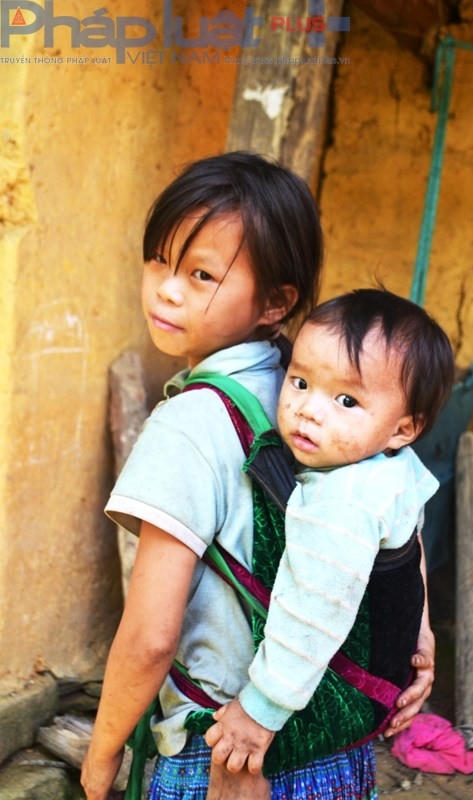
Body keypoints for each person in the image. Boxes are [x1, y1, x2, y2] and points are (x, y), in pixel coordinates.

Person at [81, 153, 435, 800]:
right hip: (331, 744)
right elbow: (399, 501)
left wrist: (102, 752)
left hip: (226, 750)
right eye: (158, 259)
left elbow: (152, 636)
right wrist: (418, 630)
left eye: (201, 274)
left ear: (277, 301)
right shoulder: (328, 396)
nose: (166, 289)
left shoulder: (193, 423)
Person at [205, 289, 455, 790]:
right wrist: (422, 628)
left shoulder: (342, 503)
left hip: (350, 689)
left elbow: (311, 614)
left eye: (346, 400)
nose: (308, 411)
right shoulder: (389, 465)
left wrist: (259, 712)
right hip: (383, 673)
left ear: (402, 429)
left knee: (227, 751)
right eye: (300, 382)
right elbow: (413, 533)